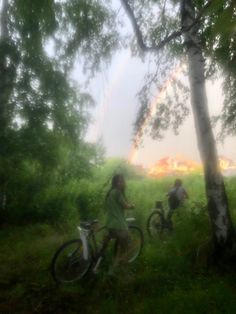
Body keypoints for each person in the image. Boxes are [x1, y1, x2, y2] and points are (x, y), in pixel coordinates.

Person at [102, 174, 134, 273]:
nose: (121, 183)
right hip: (118, 225)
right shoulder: (118, 193)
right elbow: (125, 206)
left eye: (122, 181)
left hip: (109, 224)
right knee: (125, 245)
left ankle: (100, 259)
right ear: (115, 183)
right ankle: (120, 267)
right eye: (119, 181)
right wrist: (132, 206)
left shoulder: (110, 192)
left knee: (105, 244)